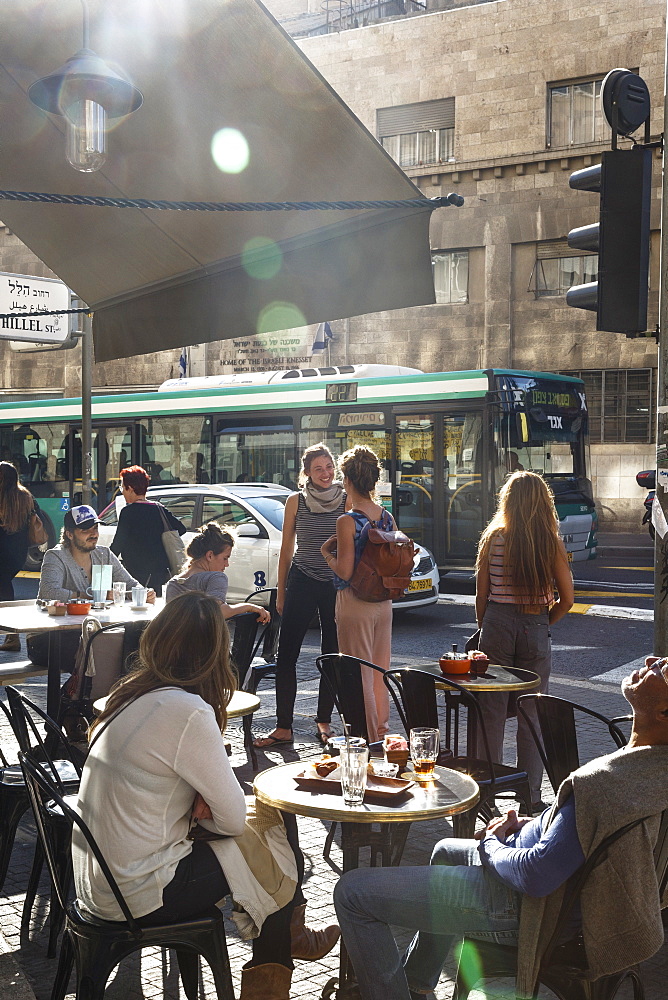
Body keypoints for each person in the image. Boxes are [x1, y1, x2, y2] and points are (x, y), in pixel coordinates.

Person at [334, 656, 668, 1000]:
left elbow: (536, 876)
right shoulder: (648, 771)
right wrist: (537, 823)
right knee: (446, 850)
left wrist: (493, 844)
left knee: (352, 893)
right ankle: (417, 984)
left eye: (665, 669)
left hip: (526, 908)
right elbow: (588, 836)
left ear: (664, 713)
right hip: (542, 887)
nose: (652, 661)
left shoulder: (609, 784)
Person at [72, 592, 339, 1000]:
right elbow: (230, 820)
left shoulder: (127, 694)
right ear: (217, 652)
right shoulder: (186, 710)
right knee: (267, 837)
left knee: (268, 816)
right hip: (138, 891)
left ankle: (290, 937)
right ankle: (279, 962)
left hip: (98, 880)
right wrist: (207, 810)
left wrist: (202, 807)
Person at [474, 471, 574, 811]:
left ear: (508, 501)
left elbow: (481, 594)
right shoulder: (550, 542)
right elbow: (568, 598)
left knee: (491, 711)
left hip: (496, 623)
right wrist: (545, 620)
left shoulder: (494, 537)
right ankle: (529, 796)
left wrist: (485, 625)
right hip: (534, 623)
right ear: (543, 503)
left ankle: (484, 790)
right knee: (531, 712)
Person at [254, 443, 346, 749]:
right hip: (302, 579)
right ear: (306, 473)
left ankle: (324, 721)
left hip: (334, 583)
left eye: (329, 466)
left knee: (332, 655)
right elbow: (286, 549)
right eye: (318, 468)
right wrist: (281, 589)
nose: (325, 473)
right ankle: (284, 726)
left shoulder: (346, 500)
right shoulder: (295, 501)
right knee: (287, 655)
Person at [321, 446, 394, 744]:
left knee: (359, 672)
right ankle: (382, 732)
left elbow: (346, 571)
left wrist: (327, 554)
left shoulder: (347, 521)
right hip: (383, 602)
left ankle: (366, 738)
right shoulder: (387, 517)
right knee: (380, 671)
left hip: (355, 603)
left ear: (347, 480)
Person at [32, 505, 155, 670]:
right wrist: (91, 596)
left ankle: (118, 690)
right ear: (69, 534)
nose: (94, 534)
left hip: (94, 633)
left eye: (95, 528)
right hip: (50, 639)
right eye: (85, 530)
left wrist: (142, 593)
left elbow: (131, 584)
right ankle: (76, 694)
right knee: (105, 652)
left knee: (135, 640)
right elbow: (49, 592)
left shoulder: (104, 554)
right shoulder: (56, 556)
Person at [165, 522, 270, 623]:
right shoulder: (215, 577)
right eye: (225, 558)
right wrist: (249, 607)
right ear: (210, 555)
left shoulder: (173, 583)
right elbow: (217, 611)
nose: (227, 564)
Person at [110, 465, 186, 596]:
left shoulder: (128, 512)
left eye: (123, 487)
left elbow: (117, 545)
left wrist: (103, 563)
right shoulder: (159, 509)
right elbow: (181, 528)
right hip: (161, 574)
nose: (122, 491)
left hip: (136, 574)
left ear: (131, 489)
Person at [0, 461, 42, 651]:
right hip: (18, 553)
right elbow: (37, 515)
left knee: (5, 590)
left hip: (2, 551)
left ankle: (12, 636)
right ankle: (11, 636)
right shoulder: (25, 497)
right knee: (5, 587)